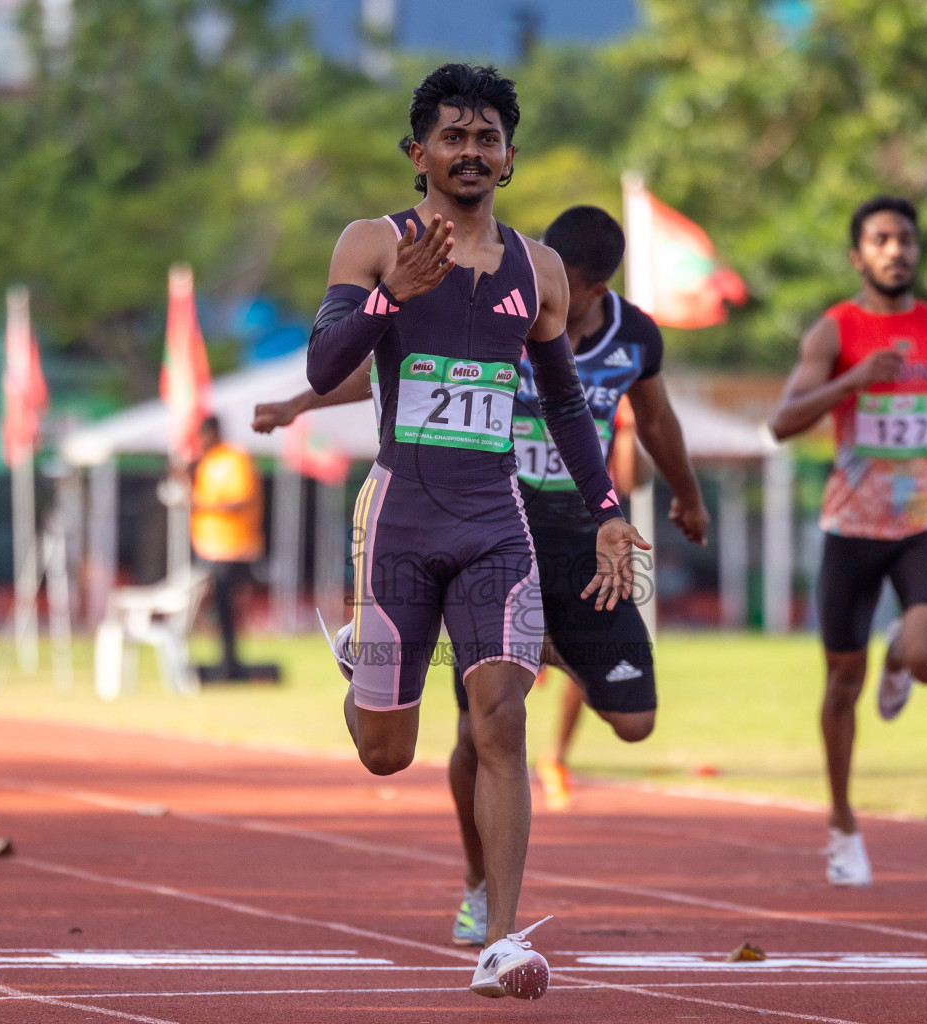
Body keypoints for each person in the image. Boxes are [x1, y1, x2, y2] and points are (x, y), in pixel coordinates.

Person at [257, 206, 710, 945]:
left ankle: (500, 927)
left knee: (619, 720)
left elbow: (637, 418)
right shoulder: (474, 292)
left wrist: (654, 502)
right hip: (462, 514)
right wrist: (301, 402)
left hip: (560, 538)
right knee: (424, 742)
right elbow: (373, 368)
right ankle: (478, 882)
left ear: (592, 289)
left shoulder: (624, 337)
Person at [300, 64, 647, 1001]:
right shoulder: (374, 242)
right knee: (387, 752)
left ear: (509, 157)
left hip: (497, 523)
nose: (471, 151)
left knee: (500, 718)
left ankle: (503, 939)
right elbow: (325, 360)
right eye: (452, 136)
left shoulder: (535, 268)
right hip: (402, 516)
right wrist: (388, 298)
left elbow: (569, 403)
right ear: (418, 155)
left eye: (487, 137)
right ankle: (364, 663)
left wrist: (609, 512)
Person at [769, 195, 927, 887]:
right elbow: (782, 422)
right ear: (858, 256)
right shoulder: (834, 331)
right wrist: (854, 379)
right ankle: (843, 823)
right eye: (881, 239)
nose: (896, 250)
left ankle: (900, 658)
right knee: (839, 684)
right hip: (851, 526)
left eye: (906, 239)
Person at [188, 415, 267, 682]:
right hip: (209, 548)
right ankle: (225, 663)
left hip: (234, 548)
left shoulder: (235, 459)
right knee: (215, 609)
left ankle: (231, 665)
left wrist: (203, 505)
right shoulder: (207, 462)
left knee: (227, 608)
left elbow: (240, 499)